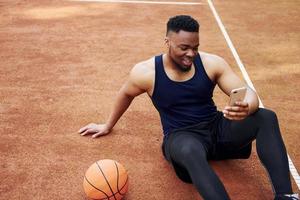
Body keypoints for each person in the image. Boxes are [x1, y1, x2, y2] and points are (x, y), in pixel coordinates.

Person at [78, 15, 299, 200]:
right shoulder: (146, 72)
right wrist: (107, 124)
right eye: (184, 48)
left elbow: (247, 91)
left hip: (216, 129)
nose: (190, 54)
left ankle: (285, 196)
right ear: (167, 41)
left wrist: (248, 106)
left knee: (266, 117)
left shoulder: (212, 63)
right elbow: (125, 94)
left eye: (195, 47)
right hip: (182, 136)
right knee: (190, 150)